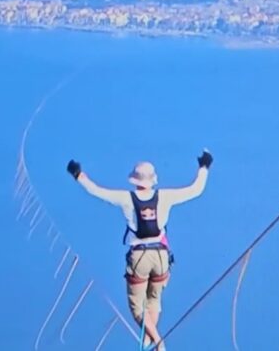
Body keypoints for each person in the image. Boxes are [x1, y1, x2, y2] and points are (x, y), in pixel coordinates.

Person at [65, 150, 213, 350]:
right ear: (154, 180)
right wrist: (204, 166)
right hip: (161, 256)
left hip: (139, 256)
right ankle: (148, 341)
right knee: (154, 300)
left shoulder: (126, 198)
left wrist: (78, 174)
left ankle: (158, 342)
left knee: (137, 307)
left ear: (134, 180)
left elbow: (97, 191)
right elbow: (196, 189)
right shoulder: (166, 196)